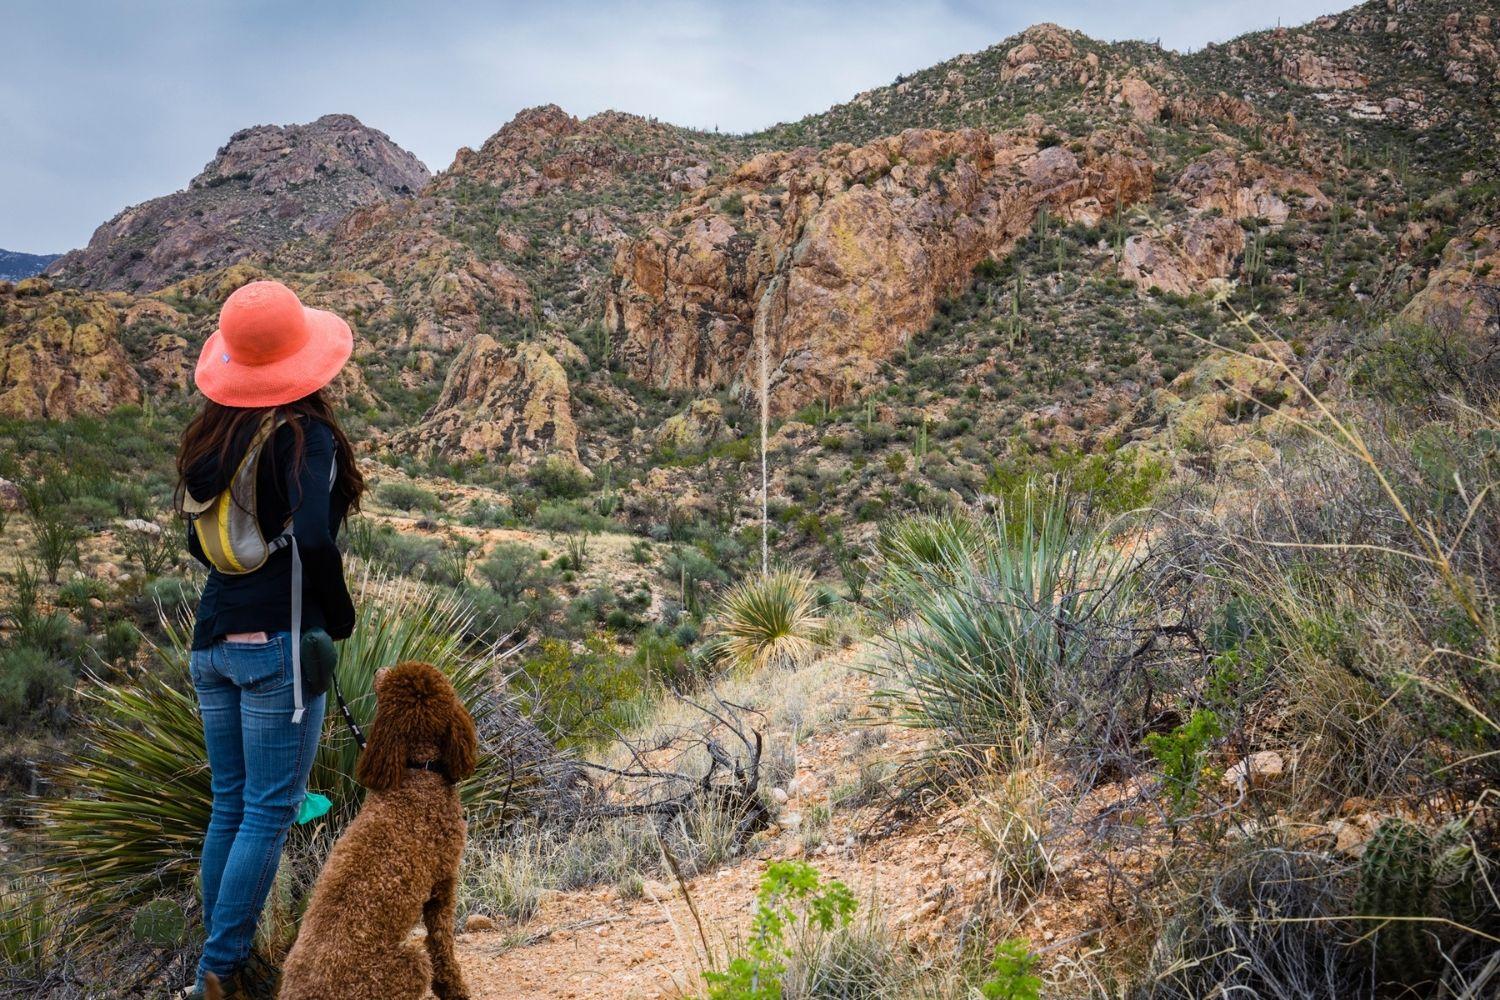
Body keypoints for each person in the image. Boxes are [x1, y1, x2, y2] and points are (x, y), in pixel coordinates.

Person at [175, 280, 365, 998]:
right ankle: (218, 972)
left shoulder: (212, 436)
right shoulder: (302, 434)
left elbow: (204, 549)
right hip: (275, 645)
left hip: (212, 639)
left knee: (231, 801)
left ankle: (226, 958)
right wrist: (338, 616)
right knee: (269, 809)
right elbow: (314, 536)